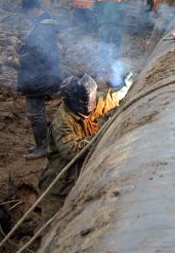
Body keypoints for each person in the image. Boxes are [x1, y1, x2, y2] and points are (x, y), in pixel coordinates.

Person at [38, 74, 125, 222]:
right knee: (53, 223)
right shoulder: (63, 122)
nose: (92, 102)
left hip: (77, 171)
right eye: (88, 100)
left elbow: (105, 101)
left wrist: (124, 89)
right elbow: (72, 151)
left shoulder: (85, 105)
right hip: (60, 180)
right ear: (78, 101)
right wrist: (101, 135)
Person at [17, 0, 62, 160]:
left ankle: (42, 147)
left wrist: (18, 59)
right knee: (36, 111)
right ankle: (41, 144)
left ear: (34, 9)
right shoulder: (44, 25)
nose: (28, 17)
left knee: (35, 113)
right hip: (43, 74)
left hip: (38, 76)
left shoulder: (42, 28)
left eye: (28, 13)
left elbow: (38, 54)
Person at [93, 0, 125, 86]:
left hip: (103, 25)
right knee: (116, 43)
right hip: (115, 25)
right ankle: (115, 60)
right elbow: (123, 12)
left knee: (104, 43)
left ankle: (106, 62)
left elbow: (93, 10)